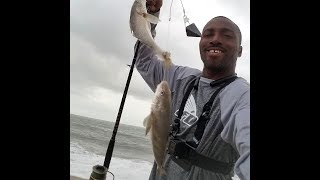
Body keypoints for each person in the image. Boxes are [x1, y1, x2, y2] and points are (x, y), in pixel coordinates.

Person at [134, 0, 250, 179]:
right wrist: (150, 15)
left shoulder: (242, 96)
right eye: (208, 34)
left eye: (227, 35)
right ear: (200, 42)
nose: (215, 39)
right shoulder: (181, 77)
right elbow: (144, 61)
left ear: (240, 50)